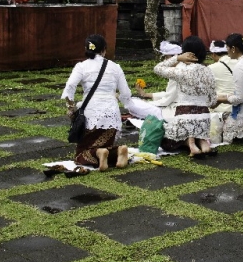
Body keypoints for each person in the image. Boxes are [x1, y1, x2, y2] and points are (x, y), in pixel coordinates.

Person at [61, 34, 130, 170]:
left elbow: (70, 87)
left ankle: (99, 153)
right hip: (111, 114)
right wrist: (118, 99)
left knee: (81, 154)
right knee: (106, 145)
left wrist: (70, 107)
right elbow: (126, 93)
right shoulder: (115, 67)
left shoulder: (81, 66)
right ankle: (118, 150)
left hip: (91, 113)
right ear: (104, 49)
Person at [154, 36, 217, 157]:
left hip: (184, 116)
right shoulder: (209, 71)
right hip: (204, 118)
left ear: (185, 53)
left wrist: (177, 58)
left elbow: (157, 68)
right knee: (196, 127)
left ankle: (191, 144)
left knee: (166, 141)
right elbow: (212, 101)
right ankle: (203, 144)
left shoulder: (182, 71)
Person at [136, 41, 182, 117]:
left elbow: (167, 100)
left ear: (175, 57)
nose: (165, 61)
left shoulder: (177, 72)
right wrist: (146, 94)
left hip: (178, 110)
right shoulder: (179, 68)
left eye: (167, 57)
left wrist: (146, 103)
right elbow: (171, 94)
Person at [207, 40, 238, 115]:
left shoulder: (211, 68)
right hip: (239, 108)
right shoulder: (239, 63)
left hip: (220, 110)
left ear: (213, 54)